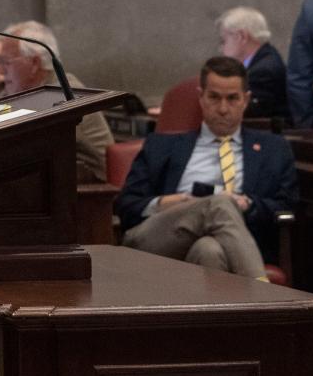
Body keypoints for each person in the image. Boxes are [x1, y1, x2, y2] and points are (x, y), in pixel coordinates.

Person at [115, 56, 297, 278]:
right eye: (214, 97)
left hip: (231, 245)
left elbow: (286, 206)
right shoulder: (161, 146)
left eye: (232, 98)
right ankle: (264, 294)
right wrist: (169, 202)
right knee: (219, 204)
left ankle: (222, 314)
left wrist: (248, 205)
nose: (222, 108)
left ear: (246, 100)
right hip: (158, 239)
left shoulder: (274, 149)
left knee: (208, 249)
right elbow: (125, 205)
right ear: (201, 97)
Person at [0, 20, 113, 183]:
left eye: (6, 62)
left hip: (90, 184)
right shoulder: (26, 90)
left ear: (34, 63)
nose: (1, 70)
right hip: (53, 174)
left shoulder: (64, 92)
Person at [216, 6, 290, 123]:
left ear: (242, 37)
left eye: (223, 41)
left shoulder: (263, 72)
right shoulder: (266, 59)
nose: (221, 49)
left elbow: (242, 115)